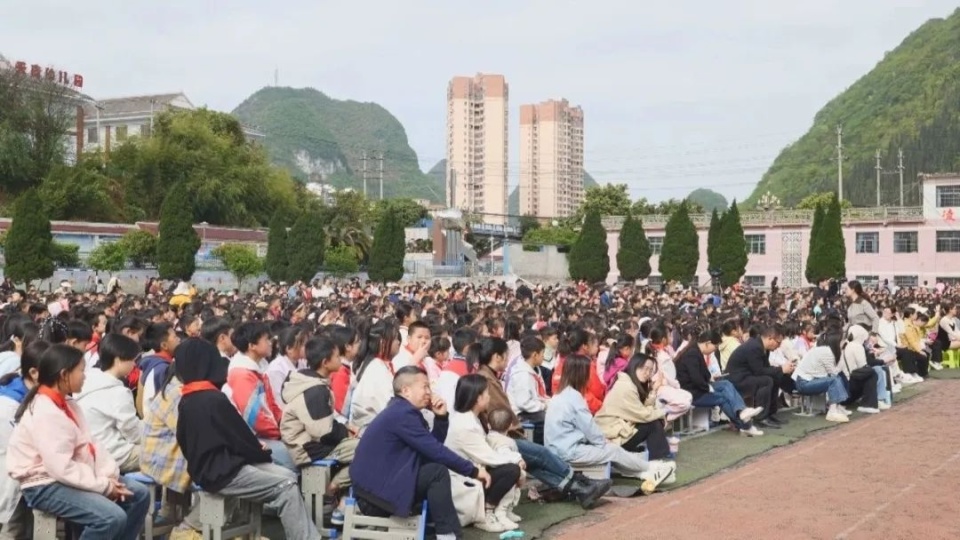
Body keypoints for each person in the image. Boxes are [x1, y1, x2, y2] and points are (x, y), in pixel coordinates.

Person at [175, 338, 319, 540]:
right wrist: (260, 451)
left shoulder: (187, 399)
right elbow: (240, 438)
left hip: (212, 468)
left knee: (287, 475)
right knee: (286, 488)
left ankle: (255, 532)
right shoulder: (213, 399)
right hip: (225, 472)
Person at [8, 344, 151, 540]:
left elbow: (90, 444)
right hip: (44, 484)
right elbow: (61, 468)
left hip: (68, 473)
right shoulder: (45, 411)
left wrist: (109, 476)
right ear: (64, 374)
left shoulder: (68, 402)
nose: (85, 376)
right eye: (81, 371)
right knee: (111, 518)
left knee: (139, 494)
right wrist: (104, 486)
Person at [350, 366, 492, 540]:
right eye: (424, 387)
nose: (429, 392)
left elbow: (430, 450)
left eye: (429, 387)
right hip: (374, 497)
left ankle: (446, 533)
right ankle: (448, 535)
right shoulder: (402, 414)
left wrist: (440, 418)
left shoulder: (400, 410)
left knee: (435, 470)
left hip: (376, 489)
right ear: (406, 390)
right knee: (436, 473)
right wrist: (474, 471)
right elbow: (435, 450)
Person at [545, 354, 675, 494]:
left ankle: (644, 473)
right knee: (613, 450)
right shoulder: (575, 398)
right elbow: (589, 427)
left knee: (612, 451)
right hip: (569, 451)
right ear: (581, 374)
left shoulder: (559, 395)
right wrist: (601, 441)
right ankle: (652, 467)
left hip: (559, 448)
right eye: (588, 373)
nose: (590, 378)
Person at [280, 336, 360, 524]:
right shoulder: (315, 390)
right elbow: (323, 432)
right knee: (370, 449)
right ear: (325, 362)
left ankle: (339, 496)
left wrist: (344, 428)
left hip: (312, 442)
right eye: (337, 356)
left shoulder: (313, 382)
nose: (341, 359)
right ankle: (333, 488)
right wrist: (346, 432)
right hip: (308, 448)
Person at [446, 374, 523, 532]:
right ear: (477, 398)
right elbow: (489, 457)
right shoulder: (465, 425)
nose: (489, 397)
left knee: (512, 466)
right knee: (512, 469)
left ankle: (499, 510)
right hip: (464, 482)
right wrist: (518, 461)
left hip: (472, 472)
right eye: (487, 393)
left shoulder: (471, 418)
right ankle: (486, 513)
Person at [223, 322, 295, 471]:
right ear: (252, 346)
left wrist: (285, 426)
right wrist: (280, 433)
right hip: (253, 438)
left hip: (269, 433)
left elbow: (272, 404)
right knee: (292, 457)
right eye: (266, 340)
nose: (270, 343)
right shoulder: (242, 374)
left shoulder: (260, 367)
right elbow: (254, 417)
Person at [675, 328, 764, 437]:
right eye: (715, 346)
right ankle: (745, 425)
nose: (715, 350)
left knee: (725, 384)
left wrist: (710, 380)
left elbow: (704, 375)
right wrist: (709, 387)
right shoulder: (692, 354)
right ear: (708, 343)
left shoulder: (695, 351)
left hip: (699, 387)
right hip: (693, 393)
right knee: (723, 398)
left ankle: (742, 412)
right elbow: (696, 379)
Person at [0, 341, 48, 540]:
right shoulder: (9, 405)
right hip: (10, 479)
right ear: (34, 373)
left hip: (21, 480)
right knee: (13, 530)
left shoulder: (26, 394)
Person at [75, 334, 143, 472]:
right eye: (131, 360)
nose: (134, 364)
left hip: (89, 450)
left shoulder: (87, 380)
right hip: (112, 453)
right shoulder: (118, 392)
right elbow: (133, 432)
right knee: (162, 454)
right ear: (118, 360)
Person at [595, 354, 673, 462]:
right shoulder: (626, 387)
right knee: (652, 424)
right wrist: (663, 412)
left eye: (650, 370)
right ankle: (659, 458)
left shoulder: (629, 382)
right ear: (634, 366)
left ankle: (659, 455)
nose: (647, 373)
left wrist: (654, 391)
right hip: (612, 437)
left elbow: (643, 409)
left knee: (654, 421)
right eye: (644, 368)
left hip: (618, 430)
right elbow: (644, 415)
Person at [726, 325, 795, 429]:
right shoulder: (754, 347)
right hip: (738, 379)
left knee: (774, 377)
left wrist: (781, 370)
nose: (779, 346)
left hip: (748, 376)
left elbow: (764, 368)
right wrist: (781, 369)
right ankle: (761, 417)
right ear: (770, 338)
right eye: (778, 342)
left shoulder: (762, 346)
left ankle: (769, 414)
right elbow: (759, 371)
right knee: (766, 381)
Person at [791, 330, 851, 423]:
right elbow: (834, 373)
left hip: (806, 381)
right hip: (803, 383)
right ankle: (832, 411)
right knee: (835, 380)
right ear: (836, 343)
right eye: (842, 341)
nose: (844, 343)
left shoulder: (824, 350)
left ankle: (837, 407)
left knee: (836, 379)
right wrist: (842, 354)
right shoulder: (827, 352)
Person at [485, 408, 525, 528]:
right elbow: (505, 454)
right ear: (510, 426)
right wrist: (518, 460)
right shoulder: (505, 442)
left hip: (492, 473)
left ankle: (507, 511)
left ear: (488, 424)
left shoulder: (488, 436)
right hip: (504, 474)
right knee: (515, 476)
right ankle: (501, 512)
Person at [505, 336, 549, 444]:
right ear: (535, 355)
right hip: (521, 414)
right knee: (549, 419)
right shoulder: (522, 375)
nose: (544, 356)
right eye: (542, 353)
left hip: (530, 409)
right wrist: (544, 406)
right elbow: (524, 403)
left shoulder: (532, 369)